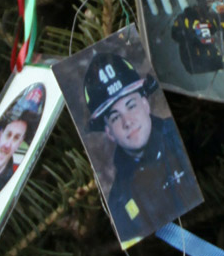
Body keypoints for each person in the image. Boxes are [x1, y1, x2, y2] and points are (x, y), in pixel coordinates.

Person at [84, 53, 199, 242]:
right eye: (115, 117)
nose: (127, 121)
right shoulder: (118, 202)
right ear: (109, 132)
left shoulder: (189, 137)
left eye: (131, 106)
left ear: (145, 105)